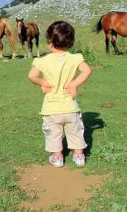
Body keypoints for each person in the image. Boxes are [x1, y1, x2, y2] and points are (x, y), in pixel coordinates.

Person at [28, 21, 92, 167]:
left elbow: (32, 76)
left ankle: (57, 158)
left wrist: (43, 83)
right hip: (70, 106)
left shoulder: (42, 61)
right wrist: (74, 84)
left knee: (54, 134)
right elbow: (87, 71)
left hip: (51, 109)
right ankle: (79, 157)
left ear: (50, 42)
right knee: (75, 132)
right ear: (71, 41)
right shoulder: (75, 58)